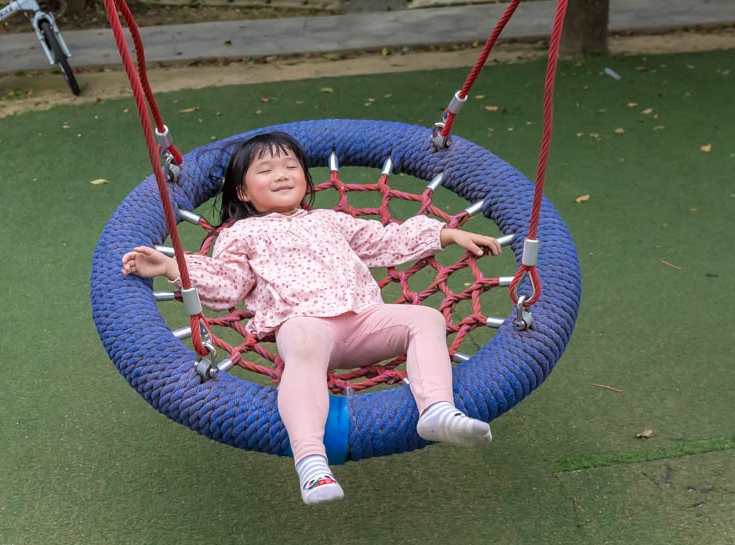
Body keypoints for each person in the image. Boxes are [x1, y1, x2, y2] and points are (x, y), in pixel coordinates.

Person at [122, 131, 501, 504]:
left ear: (305, 178)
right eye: (266, 170)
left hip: (366, 320)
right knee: (302, 338)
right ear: (242, 191)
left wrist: (447, 235)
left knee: (425, 319)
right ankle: (311, 461)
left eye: (290, 166)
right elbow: (228, 285)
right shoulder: (241, 234)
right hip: (304, 327)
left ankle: (436, 409)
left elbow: (387, 240)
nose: (282, 174)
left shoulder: (330, 220)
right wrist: (172, 265)